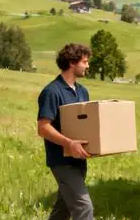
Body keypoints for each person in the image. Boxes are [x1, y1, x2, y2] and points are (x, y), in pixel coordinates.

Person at [37, 43, 94, 220]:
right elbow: (43, 128)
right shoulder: (51, 91)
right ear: (71, 62)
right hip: (61, 162)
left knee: (63, 210)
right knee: (84, 208)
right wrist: (69, 143)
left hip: (79, 160)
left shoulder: (83, 91)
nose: (87, 66)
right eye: (84, 62)